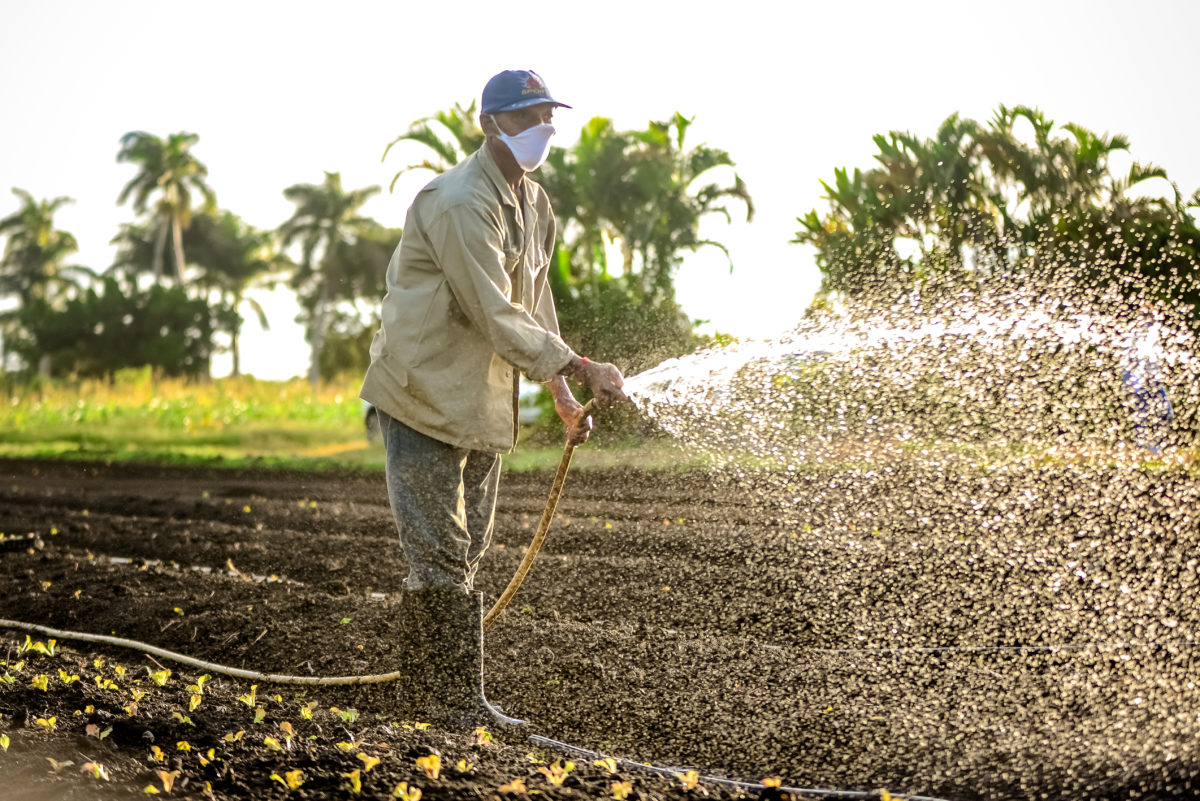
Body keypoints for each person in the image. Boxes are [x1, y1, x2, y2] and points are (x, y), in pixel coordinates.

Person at [359, 69, 628, 729]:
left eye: (547, 116)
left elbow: (534, 303)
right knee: (440, 551)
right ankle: (448, 700)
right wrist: (581, 366)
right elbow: (493, 310)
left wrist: (561, 391)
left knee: (468, 546)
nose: (543, 129)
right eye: (526, 117)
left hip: (480, 397)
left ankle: (441, 695)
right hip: (422, 390)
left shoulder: (535, 204)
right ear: (490, 124)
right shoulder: (459, 202)